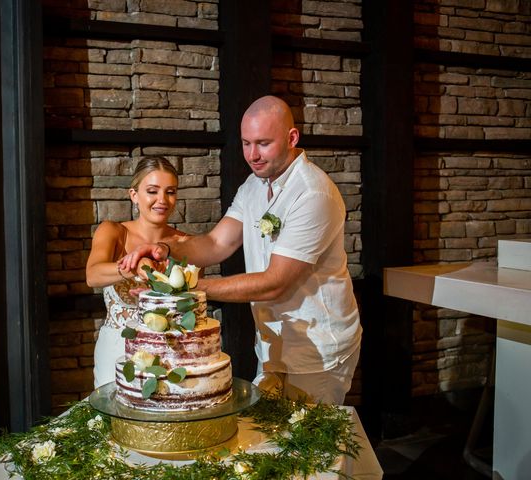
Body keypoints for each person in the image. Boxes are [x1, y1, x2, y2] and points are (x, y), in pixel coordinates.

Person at [120, 95, 362, 404]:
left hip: (317, 348)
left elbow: (276, 282)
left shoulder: (312, 193)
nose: (253, 155)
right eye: (246, 143)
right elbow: (216, 243)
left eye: (263, 143)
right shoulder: (253, 185)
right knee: (275, 440)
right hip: (273, 344)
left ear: (292, 138)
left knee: (311, 444)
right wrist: (165, 249)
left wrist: (184, 289)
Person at [86, 156, 189, 388]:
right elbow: (92, 275)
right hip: (116, 349)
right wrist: (137, 267)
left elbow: (189, 306)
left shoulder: (185, 243)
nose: (162, 200)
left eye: (170, 192)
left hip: (170, 353)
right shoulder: (113, 231)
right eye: (152, 191)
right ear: (134, 195)